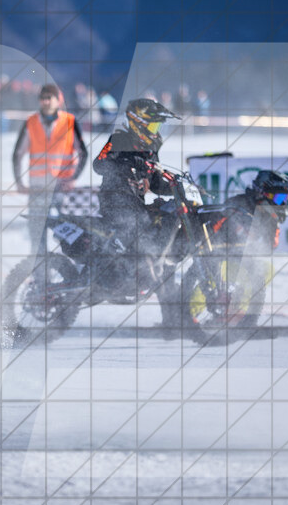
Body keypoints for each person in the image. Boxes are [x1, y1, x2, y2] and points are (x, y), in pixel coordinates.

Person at [92, 97, 182, 334]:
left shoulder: (151, 147)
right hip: (114, 201)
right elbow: (98, 164)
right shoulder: (119, 139)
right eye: (152, 126)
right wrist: (124, 165)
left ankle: (171, 321)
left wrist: (175, 187)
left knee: (163, 251)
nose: (156, 131)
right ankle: (116, 266)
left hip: (136, 204)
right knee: (143, 235)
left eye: (157, 127)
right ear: (137, 123)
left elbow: (153, 181)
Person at [11, 83, 89, 249]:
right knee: (37, 233)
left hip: (62, 186)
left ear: (58, 100)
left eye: (49, 98)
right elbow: (17, 155)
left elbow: (83, 153)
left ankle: (76, 272)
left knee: (71, 234)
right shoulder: (31, 122)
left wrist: (73, 178)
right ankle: (40, 275)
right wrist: (19, 182)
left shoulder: (70, 122)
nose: (45, 102)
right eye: (42, 98)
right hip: (38, 187)